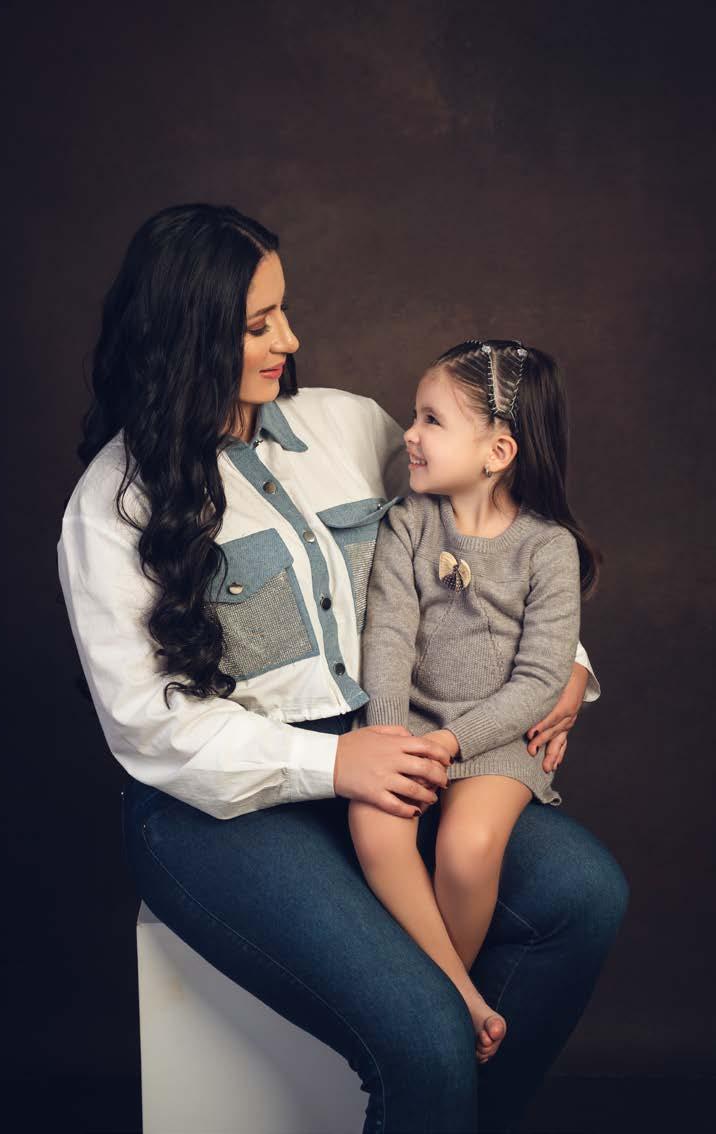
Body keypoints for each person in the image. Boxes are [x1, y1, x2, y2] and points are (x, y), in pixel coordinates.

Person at [56, 203, 629, 1134]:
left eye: (284, 311)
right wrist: (334, 763)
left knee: (585, 894)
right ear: (189, 334)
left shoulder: (348, 426)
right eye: (258, 324)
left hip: (391, 746)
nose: (290, 339)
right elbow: (148, 724)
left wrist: (566, 662)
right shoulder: (109, 508)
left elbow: (486, 531)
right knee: (424, 1034)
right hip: (218, 809)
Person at [351, 338, 601, 1067]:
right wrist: (390, 738)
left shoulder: (546, 549)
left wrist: (453, 743)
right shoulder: (408, 522)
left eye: (431, 420)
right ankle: (456, 997)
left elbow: (539, 681)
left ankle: (429, 1010)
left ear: (498, 451)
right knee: (375, 825)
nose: (410, 434)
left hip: (496, 739)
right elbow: (387, 636)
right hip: (412, 724)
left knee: (468, 847)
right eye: (414, 416)